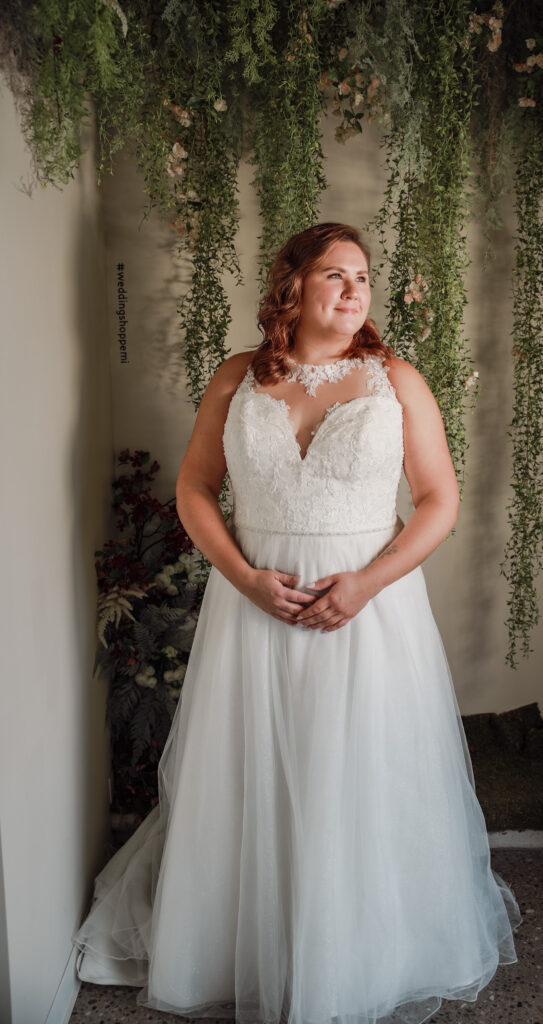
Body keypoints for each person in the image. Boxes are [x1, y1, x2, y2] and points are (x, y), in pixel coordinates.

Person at [72, 222, 522, 1024]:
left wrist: (367, 584)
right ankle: (248, 944)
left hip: (368, 615)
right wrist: (243, 578)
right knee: (253, 775)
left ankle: (359, 949)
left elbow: (438, 502)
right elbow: (194, 490)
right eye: (334, 276)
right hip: (255, 612)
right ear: (293, 286)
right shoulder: (238, 377)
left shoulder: (396, 380)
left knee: (357, 772)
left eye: (362, 277)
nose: (354, 291)